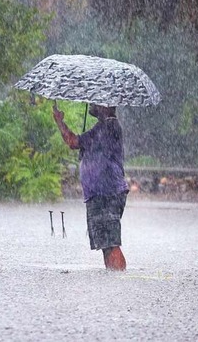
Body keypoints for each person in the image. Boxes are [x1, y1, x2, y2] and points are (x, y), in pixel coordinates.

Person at [52, 102, 128, 271]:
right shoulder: (104, 127)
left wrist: (59, 122)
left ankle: (119, 280)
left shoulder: (107, 127)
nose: (92, 104)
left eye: (96, 102)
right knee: (106, 243)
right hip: (102, 193)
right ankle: (113, 279)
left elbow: (72, 141)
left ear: (105, 106)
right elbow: (77, 143)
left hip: (106, 193)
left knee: (110, 243)